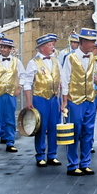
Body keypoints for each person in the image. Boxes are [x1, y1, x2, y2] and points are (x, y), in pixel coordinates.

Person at [60, 28, 97, 175]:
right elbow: (65, 79)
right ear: (83, 42)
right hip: (75, 100)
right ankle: (72, 164)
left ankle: (85, 163)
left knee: (88, 131)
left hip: (90, 99)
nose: (94, 44)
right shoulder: (70, 58)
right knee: (74, 132)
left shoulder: (92, 57)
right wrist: (64, 101)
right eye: (91, 41)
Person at [23, 33, 61, 167]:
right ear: (42, 47)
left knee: (54, 126)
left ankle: (52, 154)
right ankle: (40, 155)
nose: (52, 47)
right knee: (40, 126)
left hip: (54, 98)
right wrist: (28, 101)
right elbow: (27, 83)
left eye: (52, 45)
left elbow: (61, 79)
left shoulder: (56, 60)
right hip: (40, 98)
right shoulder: (33, 63)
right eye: (50, 45)